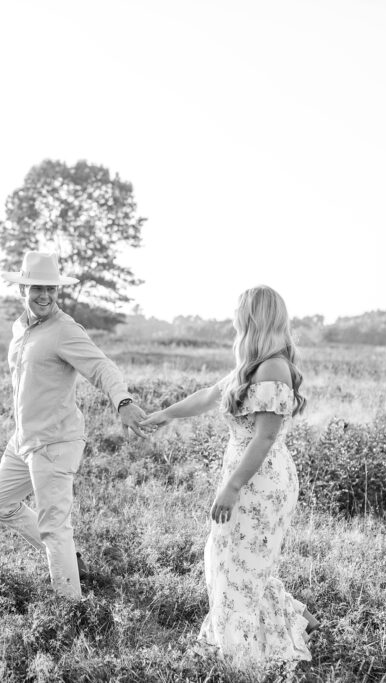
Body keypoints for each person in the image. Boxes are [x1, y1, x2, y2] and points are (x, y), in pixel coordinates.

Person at [139, 285, 317, 674]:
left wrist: (232, 487)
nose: (234, 318)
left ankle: (242, 659)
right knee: (232, 561)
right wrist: (162, 415)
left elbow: (265, 437)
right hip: (246, 477)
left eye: (240, 312)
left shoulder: (273, 367)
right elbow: (207, 395)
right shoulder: (250, 366)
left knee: (237, 564)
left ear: (254, 318)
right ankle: (277, 628)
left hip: (260, 482)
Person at [0, 251, 148, 600]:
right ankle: (69, 557)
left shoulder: (64, 330)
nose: (44, 296)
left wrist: (123, 401)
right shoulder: (20, 328)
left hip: (55, 442)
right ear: (22, 289)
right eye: (36, 289)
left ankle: (70, 609)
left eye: (51, 290)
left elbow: (102, 367)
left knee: (55, 528)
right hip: (24, 439)